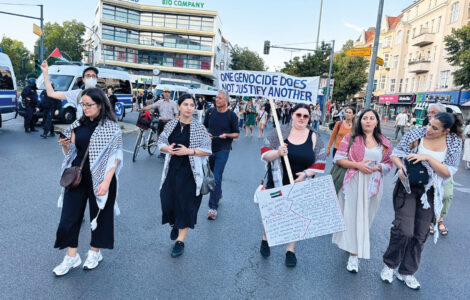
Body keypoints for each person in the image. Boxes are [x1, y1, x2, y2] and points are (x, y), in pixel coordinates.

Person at [380, 112, 462, 290]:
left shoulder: (454, 142)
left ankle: (407, 272)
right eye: (429, 124)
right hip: (408, 186)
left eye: (434, 128)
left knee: (420, 234)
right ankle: (389, 265)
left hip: (431, 191)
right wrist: (401, 167)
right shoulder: (416, 133)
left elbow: (448, 172)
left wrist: (428, 157)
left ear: (446, 131)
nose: (429, 129)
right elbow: (396, 154)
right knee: (404, 230)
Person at [53, 88, 123, 276]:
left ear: (100, 105)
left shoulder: (111, 128)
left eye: (89, 105)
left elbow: (115, 158)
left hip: (101, 177)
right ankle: (71, 257)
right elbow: (71, 153)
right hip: (77, 177)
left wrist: (106, 182)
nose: (85, 108)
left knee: (99, 217)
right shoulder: (78, 124)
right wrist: (66, 144)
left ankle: (95, 252)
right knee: (69, 216)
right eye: (83, 104)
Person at [259, 103, 326, 267]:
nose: (302, 118)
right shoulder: (280, 133)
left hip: (301, 183)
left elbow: (321, 161)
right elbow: (264, 153)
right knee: (272, 213)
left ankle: (290, 250)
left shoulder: (314, 136)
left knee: (296, 216)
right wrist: (277, 152)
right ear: (292, 115)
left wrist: (306, 174)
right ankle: (266, 239)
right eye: (299, 115)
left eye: (306, 116)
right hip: (277, 181)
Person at [332, 109, 393, 273]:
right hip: (354, 181)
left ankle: (352, 245)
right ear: (360, 121)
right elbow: (338, 158)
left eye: (371, 118)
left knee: (366, 219)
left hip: (374, 184)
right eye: (364, 118)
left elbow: (389, 164)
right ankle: (354, 255)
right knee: (353, 218)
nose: (367, 121)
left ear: (377, 122)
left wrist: (379, 166)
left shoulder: (385, 142)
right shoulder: (351, 138)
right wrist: (358, 165)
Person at [158, 94, 212, 257]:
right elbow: (161, 142)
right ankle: (175, 223)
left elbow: (208, 150)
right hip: (172, 170)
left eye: (192, 105)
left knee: (187, 205)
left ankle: (180, 241)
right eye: (186, 104)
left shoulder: (199, 127)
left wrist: (189, 151)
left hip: (191, 173)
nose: (189, 108)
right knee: (166, 200)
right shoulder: (171, 125)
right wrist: (167, 149)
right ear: (179, 107)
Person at [203, 90, 240, 220]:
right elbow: (204, 127)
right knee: (213, 175)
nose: (217, 100)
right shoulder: (210, 112)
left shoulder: (231, 116)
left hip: (223, 149)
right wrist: (206, 133)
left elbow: (236, 133)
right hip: (209, 148)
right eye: (216, 98)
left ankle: (212, 207)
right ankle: (218, 194)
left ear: (226, 101)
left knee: (216, 177)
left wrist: (227, 135)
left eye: (219, 98)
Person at [141, 87, 178, 157]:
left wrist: (175, 122)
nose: (167, 94)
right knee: (160, 138)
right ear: (163, 93)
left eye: (168, 92)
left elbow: (176, 113)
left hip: (169, 123)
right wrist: (141, 109)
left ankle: (167, 152)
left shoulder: (173, 103)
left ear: (170, 94)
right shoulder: (159, 102)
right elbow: (151, 106)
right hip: (161, 122)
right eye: (165, 92)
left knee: (168, 138)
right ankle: (163, 152)